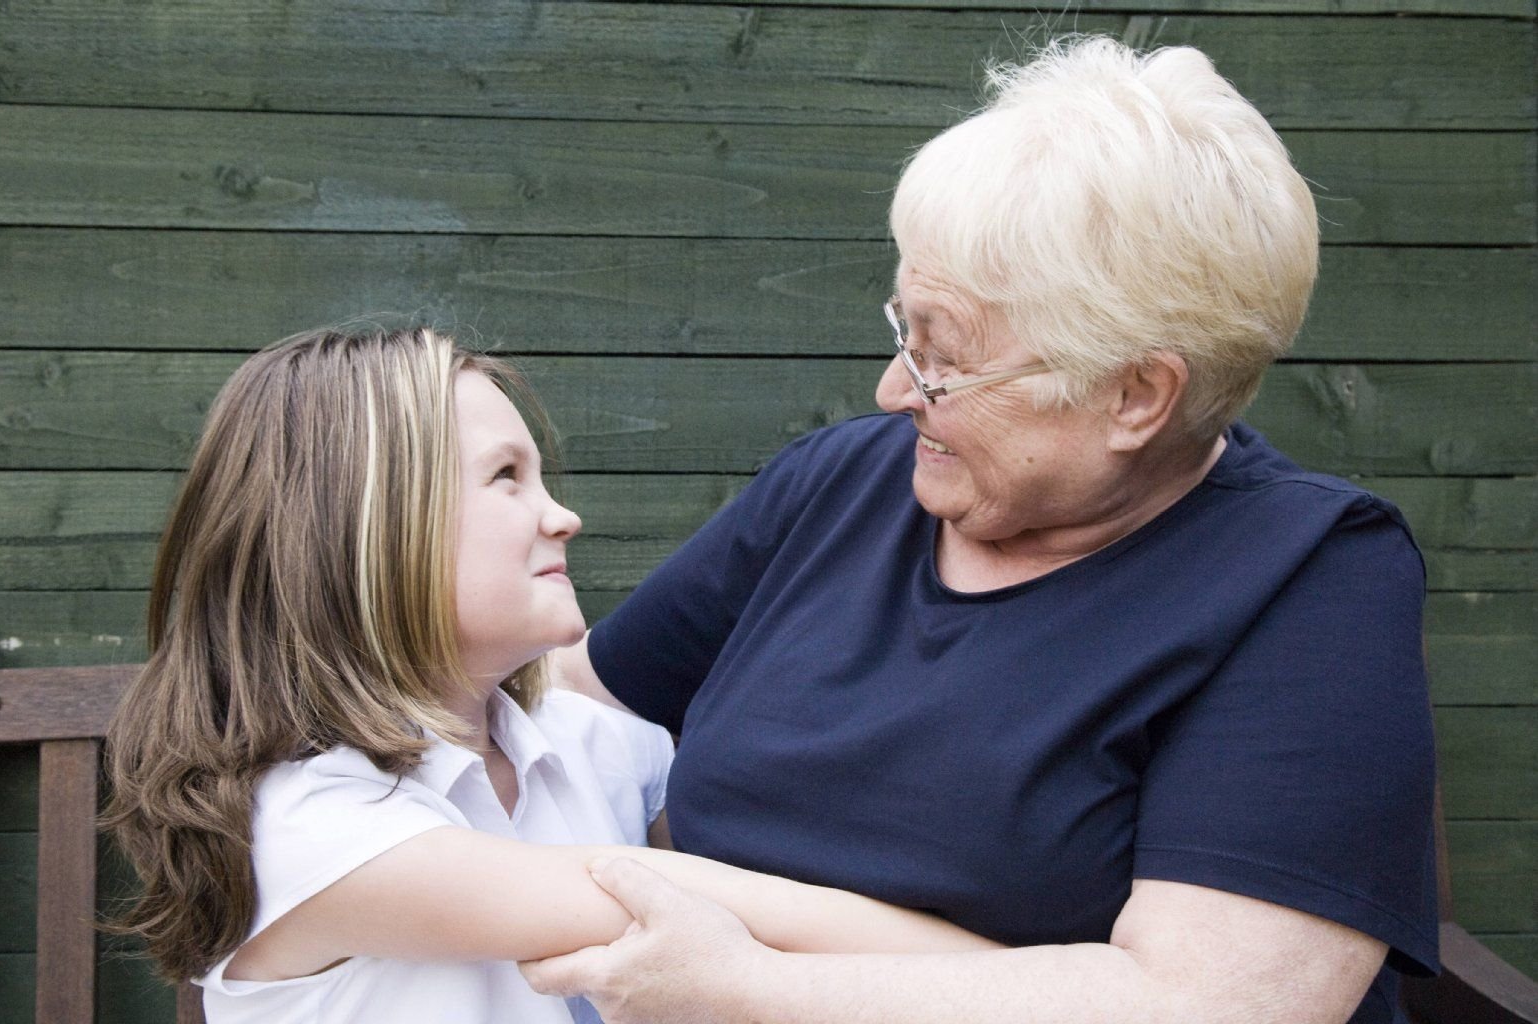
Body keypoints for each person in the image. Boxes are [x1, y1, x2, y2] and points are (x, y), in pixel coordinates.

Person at [525, 36, 1439, 1024]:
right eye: (903, 332)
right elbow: (572, 709)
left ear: (1134, 395)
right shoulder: (843, 484)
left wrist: (749, 987)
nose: (892, 391)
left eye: (941, 357)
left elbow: (1218, 1004)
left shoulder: (1304, 582)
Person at [103, 325, 996, 1024]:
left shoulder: (590, 746)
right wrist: (1033, 984)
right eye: (506, 479)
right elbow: (706, 901)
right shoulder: (309, 825)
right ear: (370, 532)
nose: (562, 515)